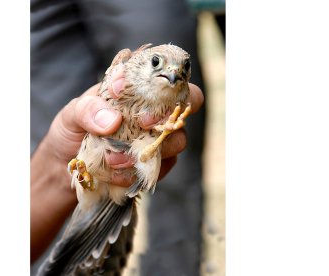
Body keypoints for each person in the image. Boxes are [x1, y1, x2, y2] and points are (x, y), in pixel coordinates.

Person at [31, 0, 206, 274]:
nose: (174, 74)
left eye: (183, 71)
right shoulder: (123, 70)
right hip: (83, 175)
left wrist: (161, 135)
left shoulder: (172, 101)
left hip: (118, 177)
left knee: (176, 178)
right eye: (158, 63)